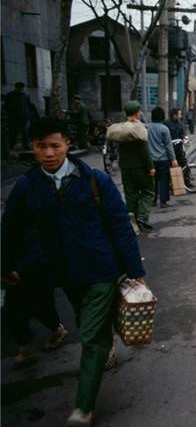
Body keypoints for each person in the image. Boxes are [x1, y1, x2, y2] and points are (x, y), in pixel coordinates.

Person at [1, 119, 146, 427]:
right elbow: (10, 228)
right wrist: (5, 265)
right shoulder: (27, 186)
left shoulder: (94, 180)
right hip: (63, 272)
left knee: (91, 336)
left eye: (55, 145)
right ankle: (103, 348)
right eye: (41, 147)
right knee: (85, 320)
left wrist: (135, 269)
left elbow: (120, 224)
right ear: (33, 149)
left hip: (100, 267)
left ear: (68, 144)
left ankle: (83, 408)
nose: (49, 153)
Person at [118, 101, 155, 232]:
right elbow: (144, 150)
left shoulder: (121, 128)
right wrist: (150, 166)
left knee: (130, 193)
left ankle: (131, 221)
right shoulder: (139, 128)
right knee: (148, 191)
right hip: (141, 167)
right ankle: (142, 216)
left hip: (125, 167)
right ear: (137, 112)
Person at [148, 107, 178, 208]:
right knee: (163, 180)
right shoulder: (164, 129)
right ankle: (163, 201)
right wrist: (173, 159)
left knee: (153, 181)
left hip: (151, 159)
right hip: (163, 159)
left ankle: (153, 200)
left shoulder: (147, 128)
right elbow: (168, 145)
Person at [5, 82, 32, 150]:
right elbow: (7, 106)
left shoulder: (25, 95)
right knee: (14, 132)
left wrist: (28, 115)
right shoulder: (11, 95)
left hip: (23, 117)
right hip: (14, 117)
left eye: (22, 88)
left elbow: (28, 106)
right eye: (20, 88)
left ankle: (25, 145)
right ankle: (12, 145)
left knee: (24, 132)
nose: (21, 89)